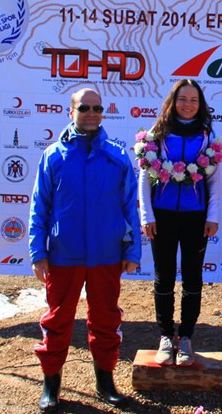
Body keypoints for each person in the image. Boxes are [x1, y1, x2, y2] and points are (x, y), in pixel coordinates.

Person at [28, 88, 141, 412]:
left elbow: (129, 207)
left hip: (106, 253)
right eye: (84, 108)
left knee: (106, 319)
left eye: (97, 108)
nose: (92, 113)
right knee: (57, 320)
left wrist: (132, 251)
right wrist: (38, 252)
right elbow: (40, 206)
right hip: (64, 252)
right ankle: (51, 385)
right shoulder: (53, 156)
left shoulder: (116, 156)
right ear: (71, 112)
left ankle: (105, 383)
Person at [135, 79, 222, 366]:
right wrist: (147, 216)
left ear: (201, 104)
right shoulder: (157, 132)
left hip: (195, 217)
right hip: (162, 216)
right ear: (173, 102)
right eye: (182, 99)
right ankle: (165, 335)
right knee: (163, 276)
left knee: (192, 277)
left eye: (193, 100)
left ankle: (185, 336)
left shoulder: (207, 135)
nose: (188, 105)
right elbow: (144, 178)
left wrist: (212, 216)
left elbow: (213, 181)